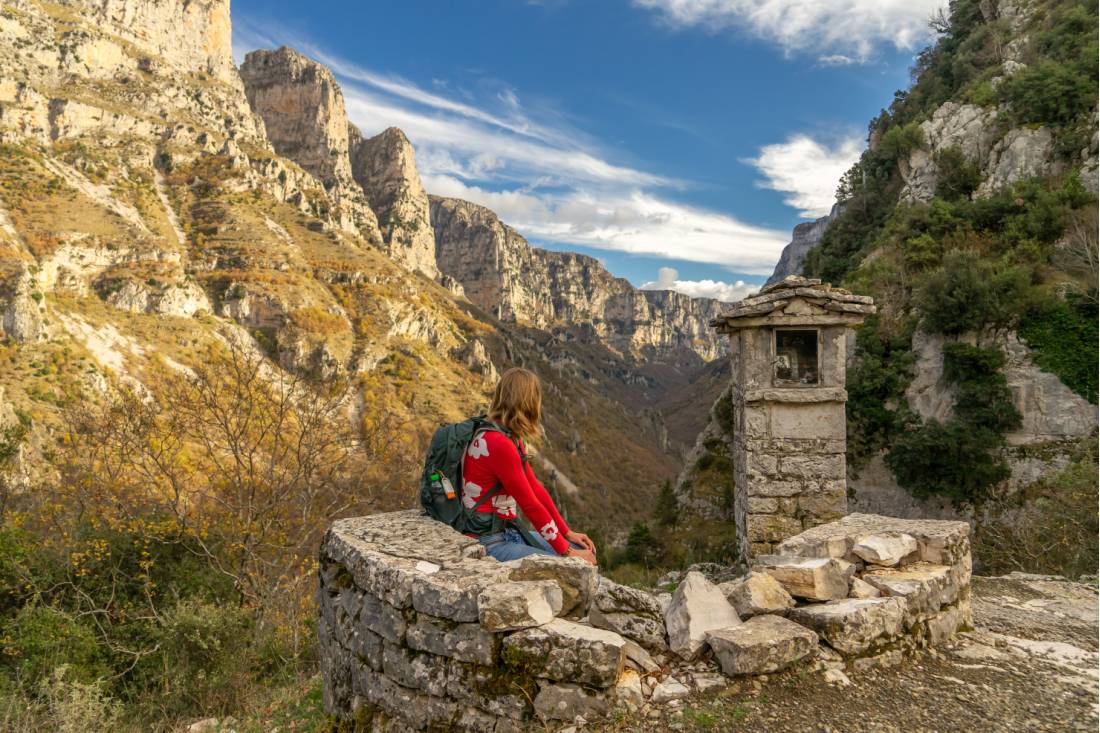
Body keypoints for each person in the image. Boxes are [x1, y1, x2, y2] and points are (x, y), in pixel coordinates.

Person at [462, 367, 598, 565]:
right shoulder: (499, 444)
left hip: (507, 532)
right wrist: (567, 552)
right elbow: (530, 505)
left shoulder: (506, 435)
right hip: (489, 542)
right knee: (578, 564)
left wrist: (566, 533)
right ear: (529, 402)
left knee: (582, 550)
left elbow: (536, 489)